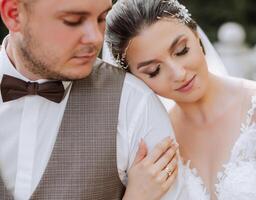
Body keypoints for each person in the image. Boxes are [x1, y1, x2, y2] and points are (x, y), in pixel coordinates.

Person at [105, 0, 256, 199]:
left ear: (197, 37)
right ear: (136, 81)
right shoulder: (156, 140)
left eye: (182, 50)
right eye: (154, 71)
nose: (179, 73)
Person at [0, 0, 181, 199]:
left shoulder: (134, 103)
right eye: (73, 21)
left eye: (102, 18)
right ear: (13, 14)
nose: (95, 38)